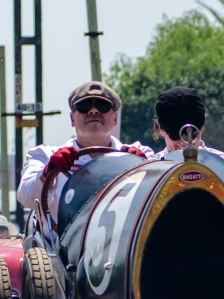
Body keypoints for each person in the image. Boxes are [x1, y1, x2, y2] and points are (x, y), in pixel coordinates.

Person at [18, 81, 155, 219]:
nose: (94, 111)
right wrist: (47, 173)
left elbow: (158, 196)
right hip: (60, 240)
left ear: (115, 118)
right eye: (84, 106)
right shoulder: (45, 156)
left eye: (103, 105)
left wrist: (144, 169)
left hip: (123, 240)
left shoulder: (140, 154)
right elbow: (26, 197)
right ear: (72, 118)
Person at [152, 86, 224, 232]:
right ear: (160, 128)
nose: (184, 143)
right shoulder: (150, 169)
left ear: (202, 127)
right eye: (176, 135)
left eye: (191, 134)